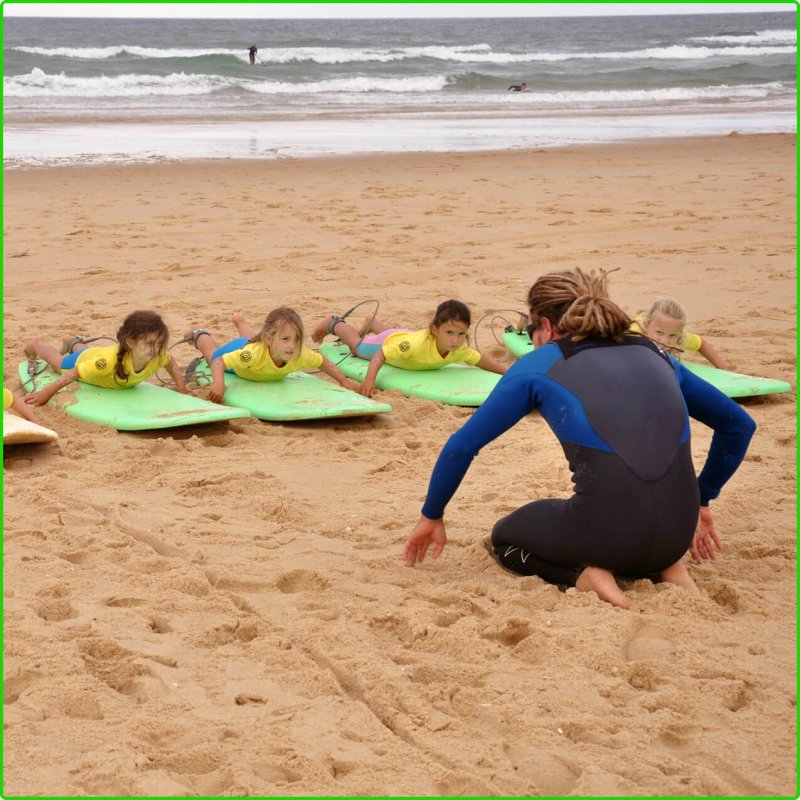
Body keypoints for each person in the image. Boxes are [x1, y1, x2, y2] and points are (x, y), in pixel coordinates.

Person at [403, 268, 755, 609]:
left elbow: (462, 445)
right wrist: (702, 498)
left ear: (545, 325)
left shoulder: (539, 364)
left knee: (504, 536)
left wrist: (432, 514)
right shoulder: (657, 353)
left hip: (604, 537)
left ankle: (584, 578)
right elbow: (739, 426)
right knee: (628, 509)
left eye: (529, 329)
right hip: (677, 537)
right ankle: (665, 568)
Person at [312, 299, 507, 398]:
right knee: (358, 348)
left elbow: (481, 359)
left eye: (461, 334)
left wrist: (507, 372)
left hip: (404, 336)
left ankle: (372, 323)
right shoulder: (416, 345)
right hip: (389, 342)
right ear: (434, 330)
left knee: (399, 336)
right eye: (449, 333)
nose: (455, 340)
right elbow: (381, 354)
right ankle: (334, 322)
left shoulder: (459, 348)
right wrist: (369, 381)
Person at [184, 307, 360, 403]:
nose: (291, 346)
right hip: (239, 354)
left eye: (296, 339)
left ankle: (240, 321)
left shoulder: (299, 353)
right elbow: (218, 362)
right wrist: (219, 384)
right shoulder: (251, 355)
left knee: (249, 338)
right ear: (269, 338)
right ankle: (199, 333)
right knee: (211, 355)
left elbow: (323, 362)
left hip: (253, 344)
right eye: (285, 339)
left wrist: (343, 381)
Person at [24, 310, 187, 406]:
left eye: (160, 343)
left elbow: (170, 361)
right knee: (57, 362)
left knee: (88, 351)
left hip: (96, 355)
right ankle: (38, 345)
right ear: (130, 342)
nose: (156, 348)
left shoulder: (157, 355)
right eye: (150, 343)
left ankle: (71, 342)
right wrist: (45, 393)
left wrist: (181, 388)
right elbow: (73, 374)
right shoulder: (109, 362)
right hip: (80, 362)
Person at [631, 298, 729, 369]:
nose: (665, 341)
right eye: (659, 333)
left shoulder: (680, 337)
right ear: (646, 326)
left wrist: (723, 370)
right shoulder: (634, 336)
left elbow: (701, 344)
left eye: (672, 335)